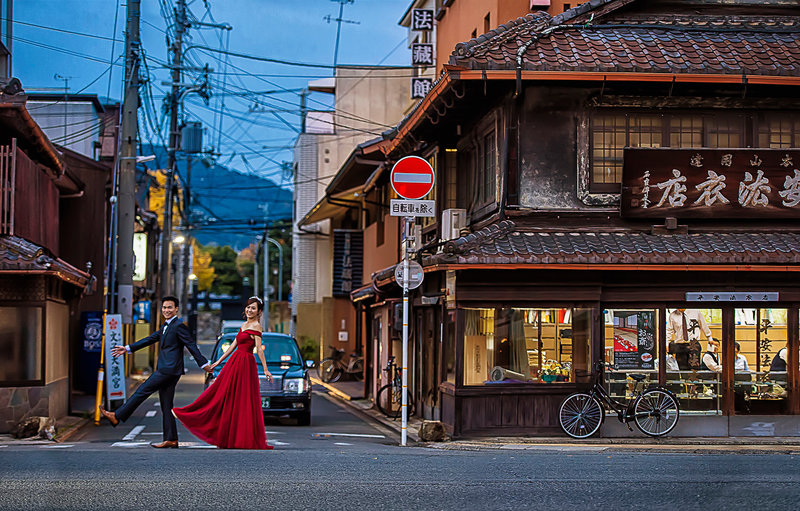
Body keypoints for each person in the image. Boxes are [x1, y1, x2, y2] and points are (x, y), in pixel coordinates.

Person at [99, 296, 211, 448]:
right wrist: (127, 348)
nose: (166, 310)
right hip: (169, 370)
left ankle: (117, 415)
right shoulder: (166, 326)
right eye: (164, 308)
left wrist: (203, 363)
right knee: (166, 405)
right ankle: (171, 438)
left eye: (170, 307)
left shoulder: (178, 326)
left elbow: (191, 345)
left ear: (176, 309)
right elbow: (149, 339)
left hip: (168, 370)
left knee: (142, 390)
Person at [172, 297, 274, 450]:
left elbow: (259, 349)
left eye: (253, 308)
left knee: (242, 399)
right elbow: (233, 345)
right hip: (235, 362)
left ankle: (241, 438)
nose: (249, 310)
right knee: (221, 393)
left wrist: (265, 369)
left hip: (246, 363)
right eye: (248, 307)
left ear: (259, 312)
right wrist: (218, 362)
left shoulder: (257, 326)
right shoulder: (244, 325)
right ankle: (193, 416)